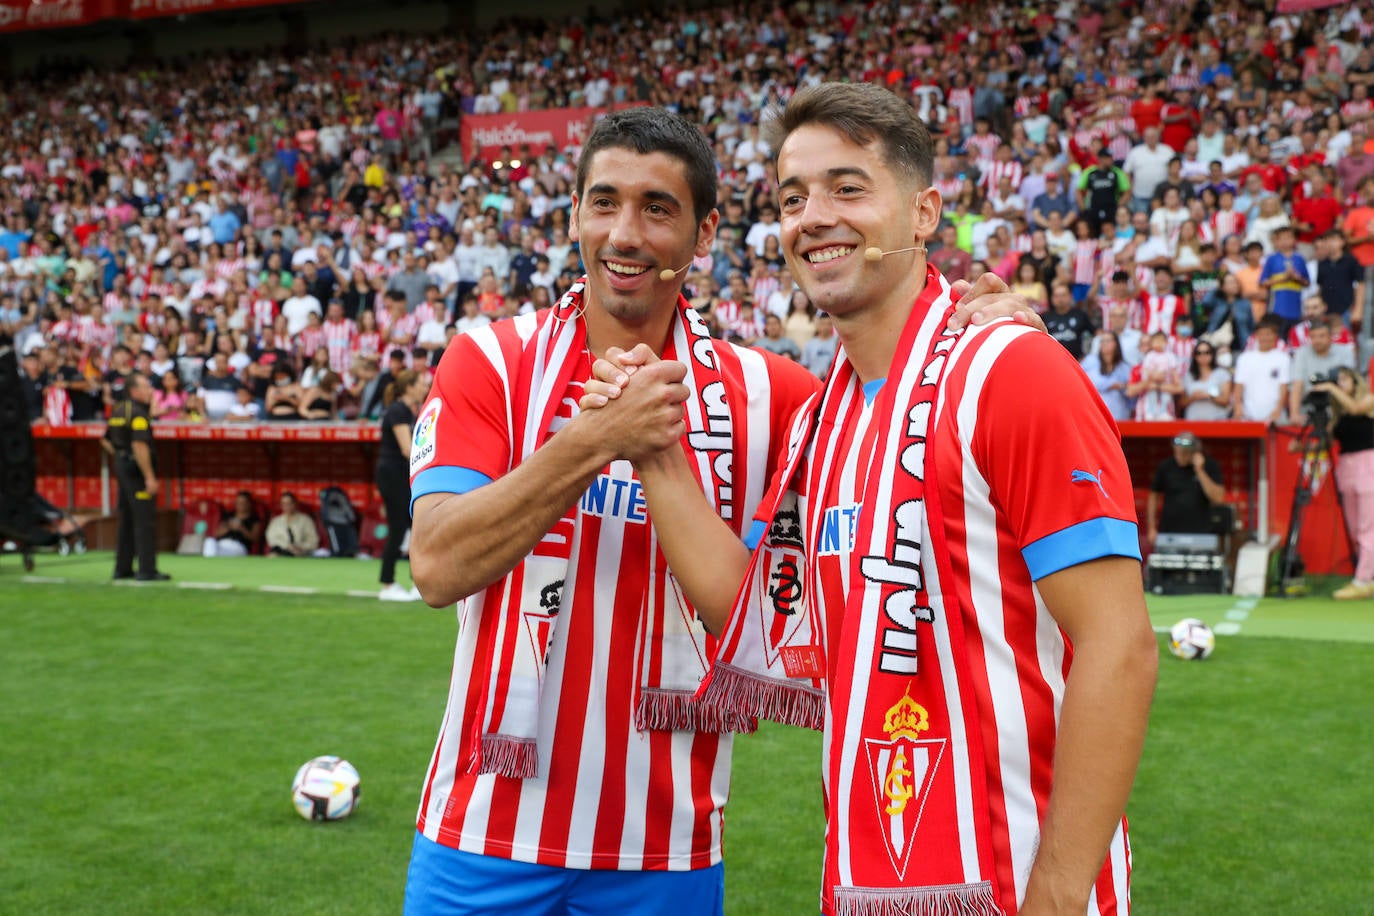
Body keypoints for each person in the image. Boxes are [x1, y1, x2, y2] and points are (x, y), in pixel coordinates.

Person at [403, 105, 1039, 916]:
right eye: (604, 203)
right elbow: (437, 564)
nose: (624, 233)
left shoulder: (771, 396)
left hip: (667, 853)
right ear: (574, 218)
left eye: (657, 209)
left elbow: (900, 394)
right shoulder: (491, 359)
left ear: (704, 237)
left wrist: (975, 331)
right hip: (480, 835)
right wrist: (598, 439)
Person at [581, 84, 1153, 916]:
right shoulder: (826, 417)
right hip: (865, 880)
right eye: (792, 197)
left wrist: (1060, 896)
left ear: (923, 214)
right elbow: (760, 620)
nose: (814, 215)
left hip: (1011, 883)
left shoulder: (1010, 371)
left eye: (848, 188)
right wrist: (656, 455)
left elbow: (1120, 645)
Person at [1312, 367, 1374, 598]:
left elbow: (1356, 408)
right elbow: (1326, 440)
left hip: (1368, 463)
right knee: (1356, 527)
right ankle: (1367, 576)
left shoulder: (1368, 401)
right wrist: (1302, 445)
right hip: (1346, 467)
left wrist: (1329, 388)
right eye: (1337, 381)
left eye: (1344, 380)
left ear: (1356, 382)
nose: (1339, 384)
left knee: (1369, 527)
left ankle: (1362, 580)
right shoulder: (1338, 415)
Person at [102, 372, 168, 581]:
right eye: (146, 387)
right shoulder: (138, 413)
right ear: (134, 391)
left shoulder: (119, 409)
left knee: (127, 520)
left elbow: (104, 440)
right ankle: (147, 569)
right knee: (144, 520)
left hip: (122, 467)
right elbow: (139, 445)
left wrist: (121, 456)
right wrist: (149, 476)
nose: (150, 391)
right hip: (136, 470)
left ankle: (122, 568)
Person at [376, 369, 428, 602]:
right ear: (408, 387)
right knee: (400, 527)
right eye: (420, 383)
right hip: (392, 473)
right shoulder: (397, 410)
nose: (425, 388)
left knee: (412, 526)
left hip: (399, 472)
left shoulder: (408, 411)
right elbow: (407, 449)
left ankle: (416, 583)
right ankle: (387, 585)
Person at [1145, 431, 1228, 544]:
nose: (1179, 457)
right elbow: (1153, 496)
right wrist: (1151, 528)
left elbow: (1218, 499)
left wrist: (1199, 470)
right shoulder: (1166, 466)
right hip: (1170, 533)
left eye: (1184, 454)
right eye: (1177, 453)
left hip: (1201, 533)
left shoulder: (1209, 466)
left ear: (1195, 453)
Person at [1232, 315, 1291, 423]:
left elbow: (1284, 387)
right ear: (1256, 336)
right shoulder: (1244, 358)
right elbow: (1239, 386)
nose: (1265, 338)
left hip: (1274, 415)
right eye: (1261, 334)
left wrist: (1278, 410)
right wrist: (1238, 406)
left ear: (1275, 336)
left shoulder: (1283, 358)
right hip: (1248, 415)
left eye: (1268, 334)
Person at [1181, 342, 1233, 421]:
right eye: (1199, 353)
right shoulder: (1188, 376)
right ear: (1194, 356)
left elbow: (1226, 401)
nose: (1203, 356)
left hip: (1217, 422)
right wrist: (1193, 397)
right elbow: (1180, 403)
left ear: (1212, 354)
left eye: (1207, 352)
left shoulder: (1222, 373)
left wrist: (1209, 396)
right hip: (1193, 422)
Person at [203, 491, 264, 557]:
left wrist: (242, 529)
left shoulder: (254, 519)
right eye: (239, 502)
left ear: (249, 504)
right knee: (209, 541)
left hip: (238, 547)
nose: (240, 505)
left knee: (216, 553)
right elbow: (216, 533)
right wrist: (228, 527)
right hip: (222, 544)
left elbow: (256, 539)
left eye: (243, 503)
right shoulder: (229, 516)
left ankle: (211, 563)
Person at [265, 491, 321, 557]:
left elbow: (313, 540)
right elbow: (271, 538)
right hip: (280, 550)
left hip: (301, 552)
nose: (287, 506)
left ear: (295, 504)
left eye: (289, 503)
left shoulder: (305, 520)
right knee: (273, 555)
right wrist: (287, 546)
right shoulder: (276, 521)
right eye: (284, 504)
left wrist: (299, 547)